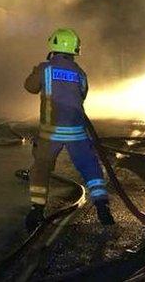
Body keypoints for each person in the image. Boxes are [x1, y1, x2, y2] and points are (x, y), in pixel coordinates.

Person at [23, 28, 113, 232]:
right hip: (76, 130)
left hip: (51, 132)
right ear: (75, 50)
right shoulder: (80, 73)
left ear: (52, 47)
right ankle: (102, 205)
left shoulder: (45, 69)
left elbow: (29, 87)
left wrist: (34, 71)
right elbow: (82, 95)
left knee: (41, 167)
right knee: (89, 166)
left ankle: (37, 210)